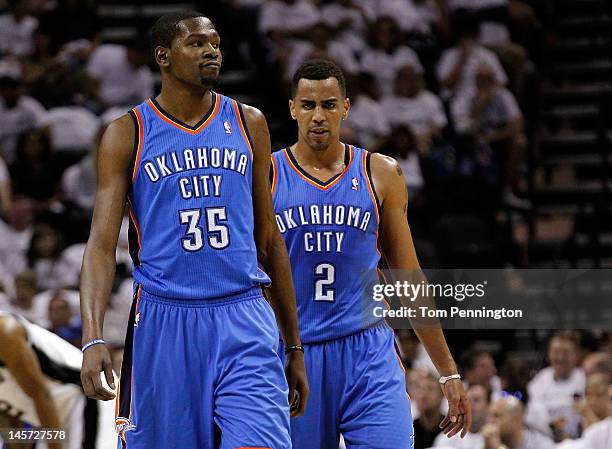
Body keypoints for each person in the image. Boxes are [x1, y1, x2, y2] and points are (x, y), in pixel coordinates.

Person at [79, 11, 307, 449]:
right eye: (198, 43)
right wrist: (92, 337)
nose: (212, 52)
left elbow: (270, 238)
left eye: (216, 43)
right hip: (166, 320)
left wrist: (294, 346)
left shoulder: (249, 122)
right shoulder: (127, 133)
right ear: (163, 56)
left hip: (244, 315)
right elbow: (101, 246)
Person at [271, 59, 470, 449]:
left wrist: (447, 372)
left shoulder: (380, 173)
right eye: (308, 105)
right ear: (292, 108)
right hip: (295, 353)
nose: (318, 116)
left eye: (329, 104)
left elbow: (410, 277)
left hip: (367, 352)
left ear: (346, 107)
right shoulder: (267, 175)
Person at [0, 312, 116, 449]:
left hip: (89, 395)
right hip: (50, 417)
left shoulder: (5, 332)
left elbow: (41, 395)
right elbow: (7, 411)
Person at [482, 396, 555, 449]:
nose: (490, 421)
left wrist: (498, 447)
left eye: (497, 416)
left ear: (516, 420)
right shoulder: (487, 439)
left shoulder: (541, 445)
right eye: (489, 416)